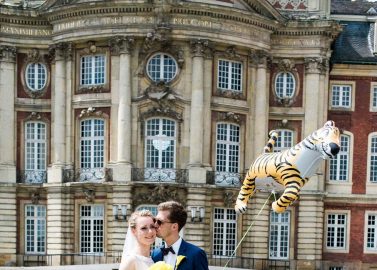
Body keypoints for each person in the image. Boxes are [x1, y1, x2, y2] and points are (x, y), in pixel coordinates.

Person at [151, 201, 209, 270]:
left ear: (174, 227)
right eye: (155, 220)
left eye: (159, 222)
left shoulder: (196, 254)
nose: (155, 225)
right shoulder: (155, 254)